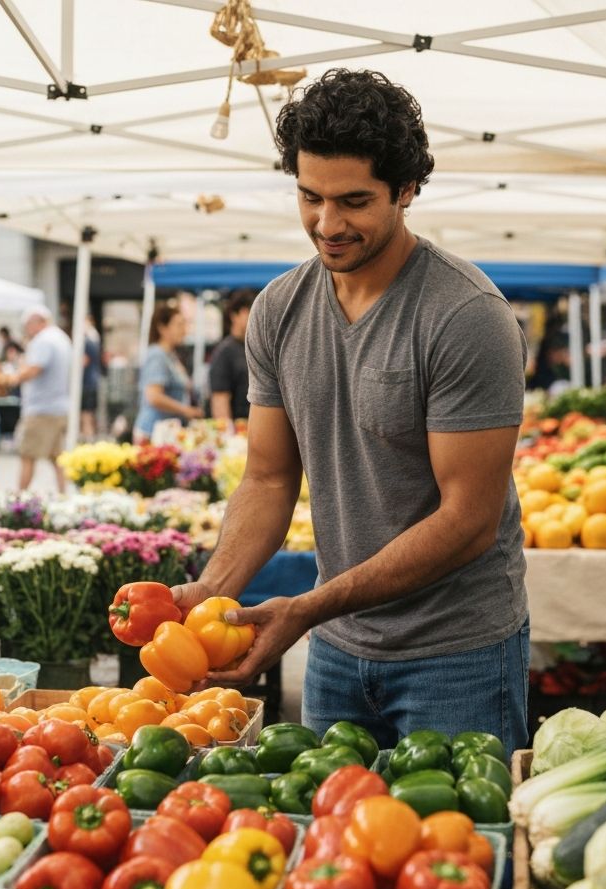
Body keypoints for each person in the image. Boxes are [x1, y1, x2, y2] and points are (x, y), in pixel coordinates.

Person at [171, 69, 530, 756]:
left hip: (457, 654)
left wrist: (307, 608)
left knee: (459, 848)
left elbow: (468, 522)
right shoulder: (278, 309)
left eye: (354, 202)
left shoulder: (466, 316)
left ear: (406, 191)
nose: (327, 225)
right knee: (333, 851)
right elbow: (270, 478)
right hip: (339, 651)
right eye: (310, 197)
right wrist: (212, 594)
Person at [6, 305, 72, 492]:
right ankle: (64, 497)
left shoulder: (44, 341)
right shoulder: (61, 337)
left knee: (28, 455)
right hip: (59, 406)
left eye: (27, 325)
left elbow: (35, 368)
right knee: (58, 458)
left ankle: (20, 499)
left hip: (41, 409)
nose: (27, 329)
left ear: (38, 322)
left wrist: (14, 377)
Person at [133, 306, 202, 443]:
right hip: (152, 432)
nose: (184, 330)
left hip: (166, 432)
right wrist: (185, 410)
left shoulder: (170, 355)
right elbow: (153, 397)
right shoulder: (157, 355)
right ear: (162, 328)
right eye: (179, 325)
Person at [209, 289, 255, 423]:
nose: (254, 317)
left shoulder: (254, 347)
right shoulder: (225, 352)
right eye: (248, 312)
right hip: (238, 430)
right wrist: (229, 437)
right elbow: (220, 400)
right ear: (234, 315)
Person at [81, 314, 103, 439]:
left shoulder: (87, 341)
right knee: (89, 415)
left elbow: (84, 361)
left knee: (86, 416)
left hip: (87, 383)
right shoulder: (95, 339)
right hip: (93, 381)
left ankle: (88, 440)